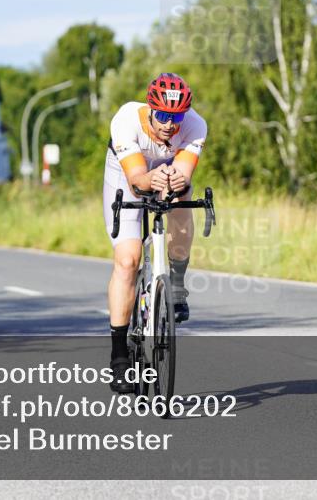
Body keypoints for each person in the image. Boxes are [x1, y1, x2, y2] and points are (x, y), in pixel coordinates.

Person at [102, 73, 206, 393]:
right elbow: (136, 180)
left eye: (176, 118)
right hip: (126, 175)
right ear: (150, 109)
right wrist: (151, 178)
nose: (168, 125)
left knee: (182, 199)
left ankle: (175, 281)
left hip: (166, 172)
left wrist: (176, 181)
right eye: (161, 116)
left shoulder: (195, 126)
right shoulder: (125, 121)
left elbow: (185, 175)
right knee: (128, 260)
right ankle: (119, 355)